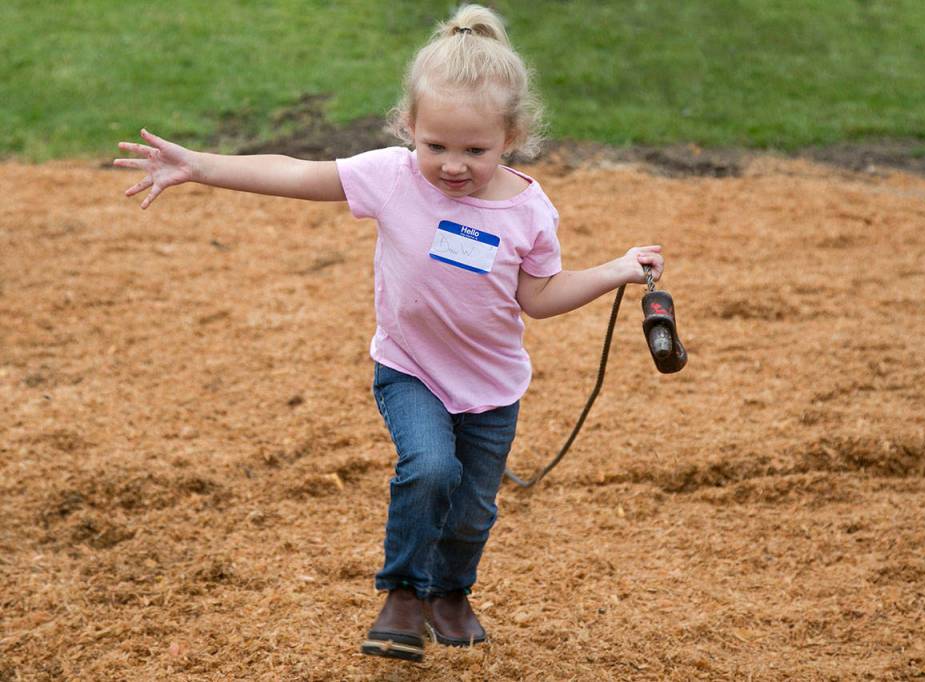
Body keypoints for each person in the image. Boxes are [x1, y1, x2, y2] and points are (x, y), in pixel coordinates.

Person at [115, 3, 664, 663]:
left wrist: (617, 270)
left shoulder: (528, 210)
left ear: (512, 136)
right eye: (435, 146)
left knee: (471, 512)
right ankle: (402, 590)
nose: (452, 166)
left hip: (491, 389)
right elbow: (297, 172)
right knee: (429, 468)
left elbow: (540, 298)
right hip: (410, 369)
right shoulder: (391, 178)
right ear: (409, 126)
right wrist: (202, 165)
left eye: (475, 150)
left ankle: (450, 594)